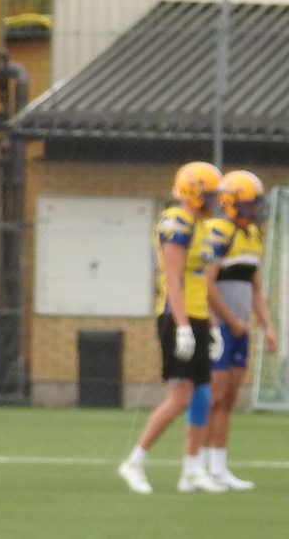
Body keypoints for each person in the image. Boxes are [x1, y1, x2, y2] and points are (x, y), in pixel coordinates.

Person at [118, 161, 227, 494]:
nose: (215, 201)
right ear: (193, 193)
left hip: (197, 316)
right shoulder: (175, 222)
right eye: (210, 194)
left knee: (203, 395)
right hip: (177, 316)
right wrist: (182, 326)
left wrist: (211, 324)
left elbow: (199, 281)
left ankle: (191, 470)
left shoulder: (202, 226)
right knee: (180, 398)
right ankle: (134, 461)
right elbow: (173, 278)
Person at [203, 169, 277, 489]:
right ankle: (199, 465)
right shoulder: (219, 232)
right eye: (249, 204)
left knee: (229, 399)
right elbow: (207, 285)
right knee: (214, 397)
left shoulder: (254, 235)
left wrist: (268, 326)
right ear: (231, 203)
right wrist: (228, 320)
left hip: (240, 328)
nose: (256, 210)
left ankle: (219, 467)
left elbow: (256, 288)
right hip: (219, 328)